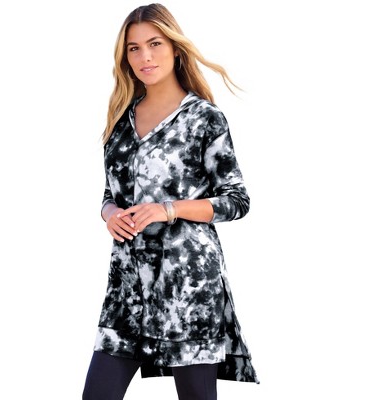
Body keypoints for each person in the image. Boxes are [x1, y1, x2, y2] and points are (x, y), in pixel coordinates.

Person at [82, 3, 259, 399]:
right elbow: (111, 194)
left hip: (189, 286)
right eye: (134, 48)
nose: (145, 56)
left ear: (176, 48)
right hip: (128, 288)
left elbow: (236, 200)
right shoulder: (120, 119)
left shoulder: (204, 118)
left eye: (155, 44)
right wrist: (109, 214)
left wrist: (168, 209)